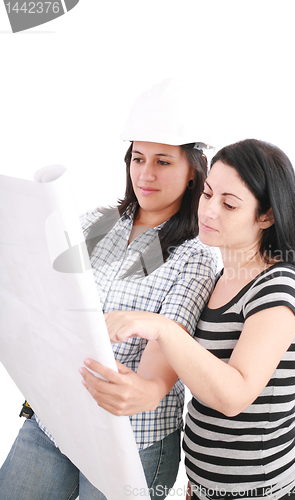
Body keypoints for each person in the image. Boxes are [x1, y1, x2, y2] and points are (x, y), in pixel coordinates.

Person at [0, 79, 217, 500]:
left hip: (133, 436)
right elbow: (40, 292)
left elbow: (167, 348)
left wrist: (148, 389)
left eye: (163, 162)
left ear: (195, 170)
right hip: (56, 416)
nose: (146, 174)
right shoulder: (97, 223)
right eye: (137, 158)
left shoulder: (195, 257)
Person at [87, 139, 295, 500]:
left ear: (267, 215)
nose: (208, 211)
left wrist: (160, 327)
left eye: (228, 204)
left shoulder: (281, 287)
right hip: (206, 487)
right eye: (208, 194)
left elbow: (233, 396)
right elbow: (202, 387)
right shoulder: (219, 279)